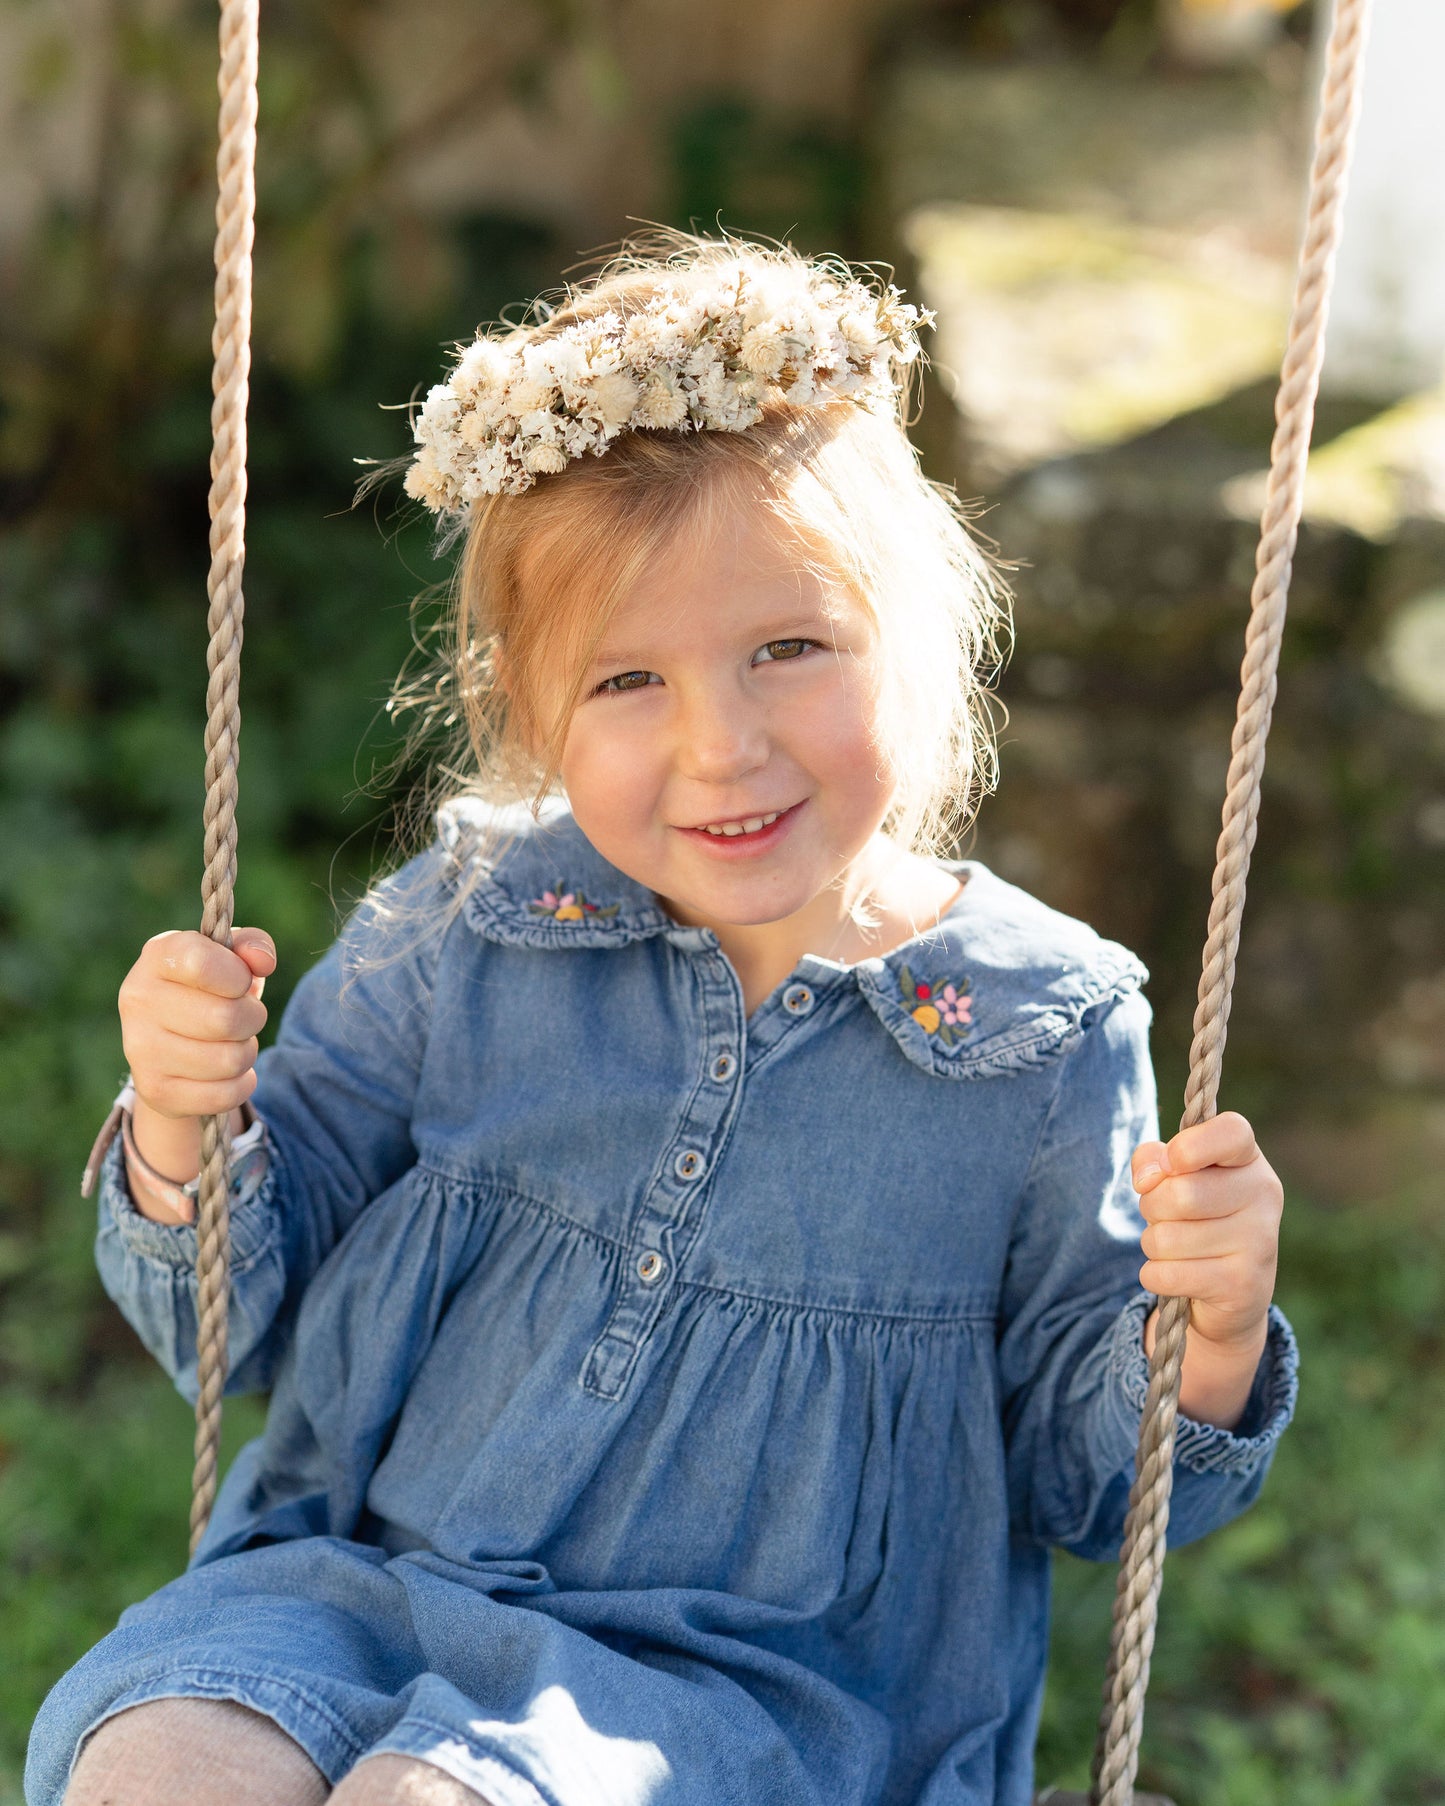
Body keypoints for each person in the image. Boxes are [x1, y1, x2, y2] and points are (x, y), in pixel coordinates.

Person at [28, 227, 1297, 1806]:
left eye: (788, 649)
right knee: (157, 1765)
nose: (722, 744)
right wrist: (178, 1116)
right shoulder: (474, 924)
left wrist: (1211, 1330)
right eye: (629, 681)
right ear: (529, 699)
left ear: (926, 637)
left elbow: (1089, 1478)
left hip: (759, 1705)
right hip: (359, 1593)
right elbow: (240, 1315)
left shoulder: (1034, 1033)